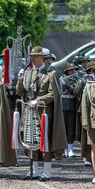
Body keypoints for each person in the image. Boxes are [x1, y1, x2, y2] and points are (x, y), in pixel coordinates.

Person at [17, 46, 67, 181]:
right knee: (31, 140)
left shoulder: (51, 73)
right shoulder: (28, 73)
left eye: (34, 56)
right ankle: (33, 171)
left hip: (44, 113)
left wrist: (38, 100)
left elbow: (53, 94)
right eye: (31, 56)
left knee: (45, 142)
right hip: (30, 112)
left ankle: (47, 172)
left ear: (42, 58)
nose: (31, 58)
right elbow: (20, 93)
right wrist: (20, 80)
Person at [73, 61, 95, 166]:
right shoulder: (83, 80)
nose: (92, 73)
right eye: (90, 71)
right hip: (85, 110)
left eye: (94, 71)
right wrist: (82, 82)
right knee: (86, 135)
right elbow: (75, 92)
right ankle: (87, 157)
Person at [59, 63, 80, 158]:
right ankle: (64, 149)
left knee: (71, 128)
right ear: (67, 72)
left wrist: (65, 84)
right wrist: (61, 82)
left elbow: (75, 91)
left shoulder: (77, 79)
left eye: (74, 70)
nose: (73, 72)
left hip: (72, 105)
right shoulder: (63, 79)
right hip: (63, 104)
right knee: (63, 127)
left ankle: (70, 148)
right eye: (71, 70)